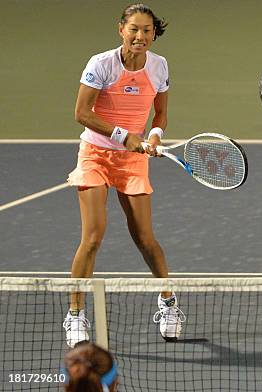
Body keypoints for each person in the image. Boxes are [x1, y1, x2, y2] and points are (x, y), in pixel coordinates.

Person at [64, 3, 185, 348]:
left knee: (145, 238)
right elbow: (81, 113)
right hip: (96, 156)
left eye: (147, 30)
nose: (140, 36)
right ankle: (75, 315)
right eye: (133, 29)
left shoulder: (159, 66)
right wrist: (124, 136)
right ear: (121, 29)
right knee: (93, 236)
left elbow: (160, 115)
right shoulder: (101, 64)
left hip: (132, 160)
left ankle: (169, 304)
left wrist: (156, 135)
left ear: (153, 34)